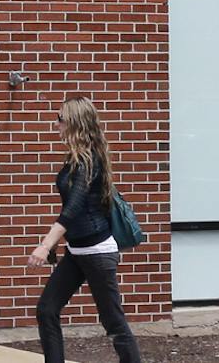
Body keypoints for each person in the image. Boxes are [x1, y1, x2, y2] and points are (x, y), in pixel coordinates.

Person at [27, 96, 141, 363]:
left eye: (60, 119)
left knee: (113, 321)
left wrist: (45, 246)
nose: (56, 124)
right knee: (47, 309)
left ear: (74, 123)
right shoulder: (75, 158)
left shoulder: (88, 160)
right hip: (78, 251)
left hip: (98, 254)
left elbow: (72, 209)